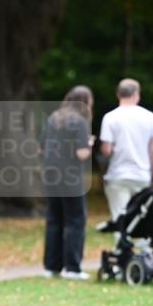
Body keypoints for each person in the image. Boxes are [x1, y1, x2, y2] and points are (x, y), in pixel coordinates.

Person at [41, 86, 95, 280]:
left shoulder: (54, 118)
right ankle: (72, 268)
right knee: (75, 220)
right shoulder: (79, 122)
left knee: (54, 219)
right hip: (71, 177)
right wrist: (89, 144)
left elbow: (42, 147)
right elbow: (82, 153)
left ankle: (51, 266)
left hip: (51, 175)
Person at [99, 79, 153, 221]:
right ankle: (142, 242)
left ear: (118, 94)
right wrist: (150, 173)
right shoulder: (149, 116)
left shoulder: (110, 117)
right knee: (141, 217)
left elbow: (106, 150)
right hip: (141, 174)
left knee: (120, 217)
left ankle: (121, 241)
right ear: (136, 94)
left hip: (118, 174)